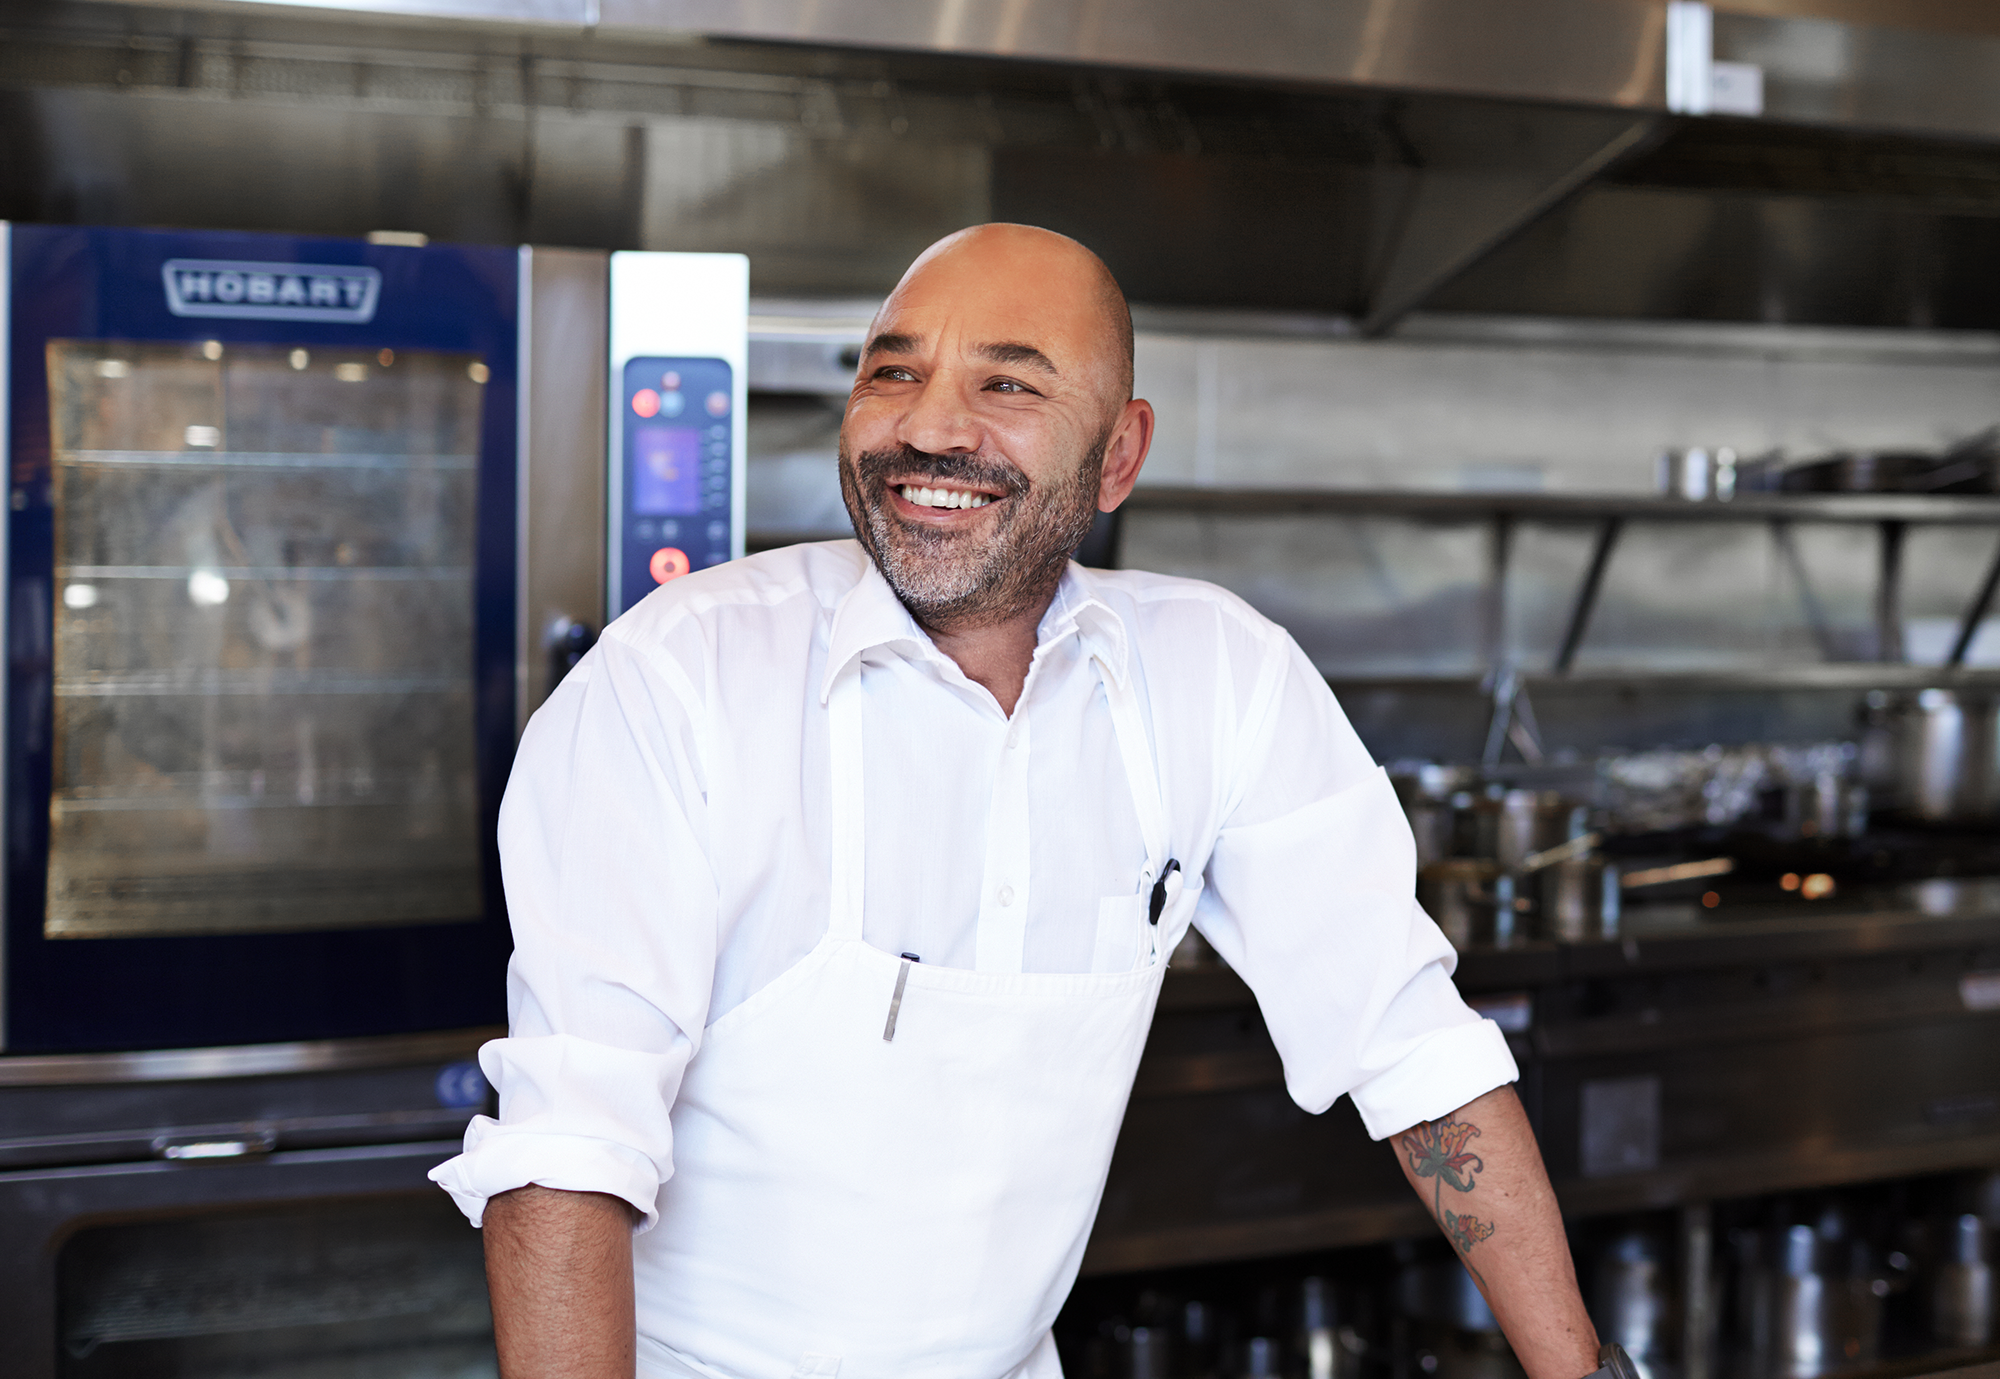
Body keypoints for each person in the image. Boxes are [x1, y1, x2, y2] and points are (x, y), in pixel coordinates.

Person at [432, 224, 1603, 1379]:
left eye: (1007, 381)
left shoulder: (1215, 676)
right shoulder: (675, 680)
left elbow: (1413, 1051)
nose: (929, 426)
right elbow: (567, 1154)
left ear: (1117, 455)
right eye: (893, 369)